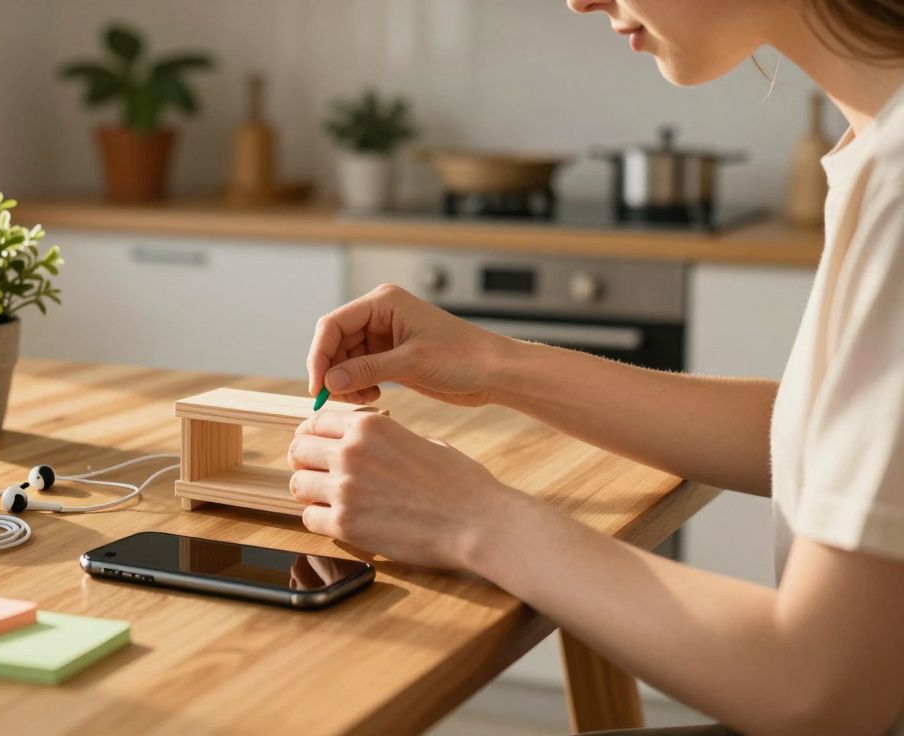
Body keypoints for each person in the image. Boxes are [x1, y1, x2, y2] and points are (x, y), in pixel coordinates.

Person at [288, 2, 904, 733]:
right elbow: (834, 443)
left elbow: (821, 690)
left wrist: (475, 520)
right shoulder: (878, 141)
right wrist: (496, 366)